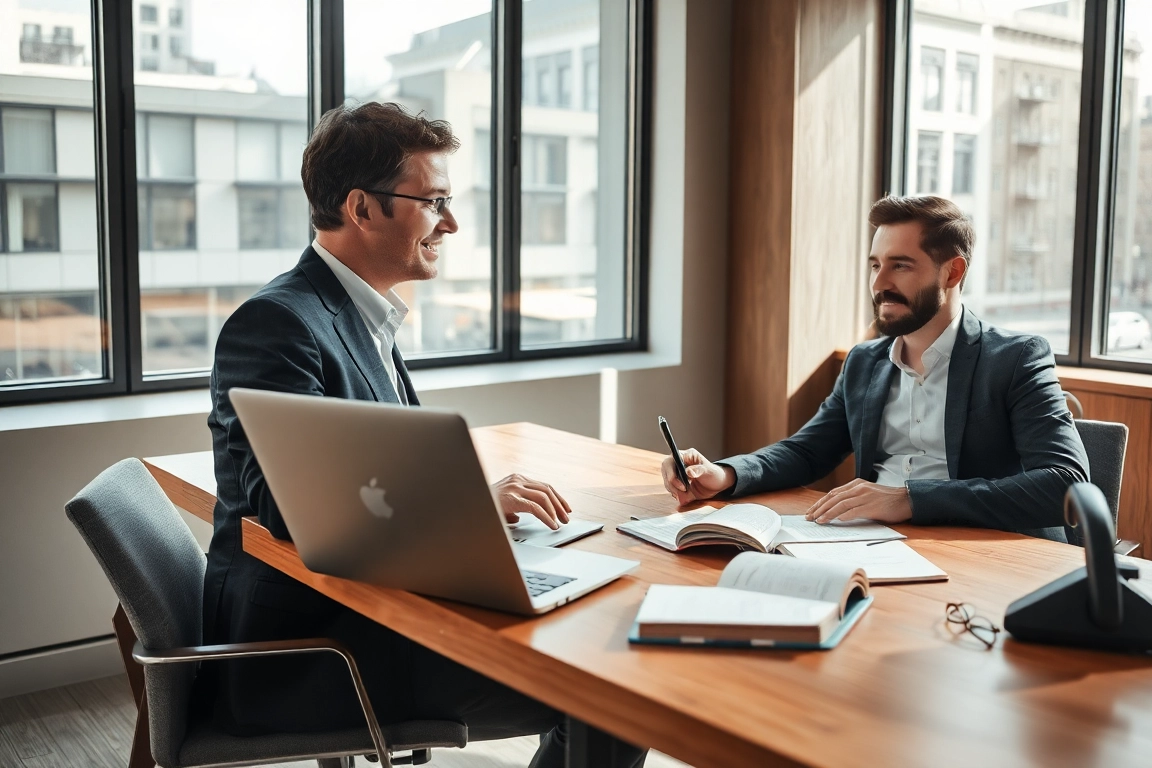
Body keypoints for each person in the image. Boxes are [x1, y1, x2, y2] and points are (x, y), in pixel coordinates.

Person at [202, 102, 645, 768]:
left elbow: (375, 481)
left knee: (594, 633)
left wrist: (472, 510)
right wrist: (463, 508)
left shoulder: (362, 318)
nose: (453, 222)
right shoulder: (276, 323)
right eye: (435, 200)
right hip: (309, 653)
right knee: (616, 691)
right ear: (362, 207)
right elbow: (286, 507)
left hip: (375, 613)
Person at [661, 195, 1088, 541]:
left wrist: (910, 499)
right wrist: (726, 473)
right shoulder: (865, 362)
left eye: (900, 265)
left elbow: (1065, 483)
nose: (880, 282)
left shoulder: (1015, 358)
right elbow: (808, 451)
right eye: (875, 264)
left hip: (981, 552)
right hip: (871, 545)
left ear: (952, 271)